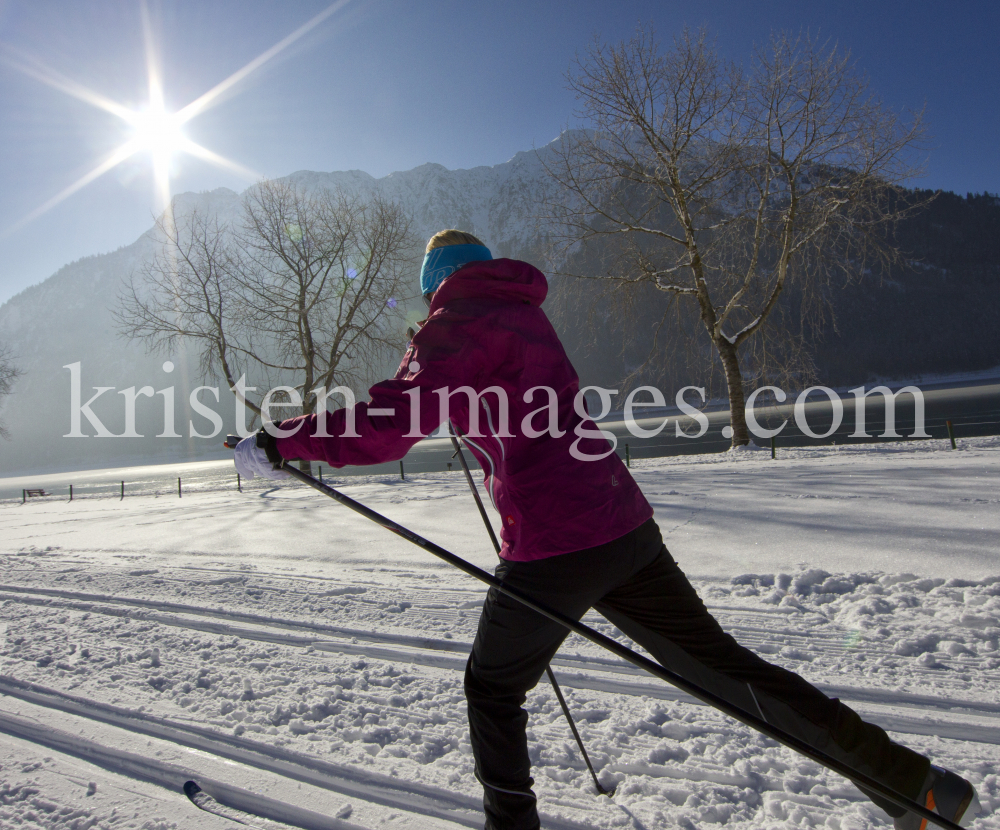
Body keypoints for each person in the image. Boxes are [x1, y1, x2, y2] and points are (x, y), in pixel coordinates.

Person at [235, 230, 981, 830]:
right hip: (622, 521)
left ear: (436, 285)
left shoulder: (453, 327)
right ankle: (914, 786)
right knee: (725, 666)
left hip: (556, 545)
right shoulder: (525, 312)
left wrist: (282, 441)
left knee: (492, 689)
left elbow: (393, 425)